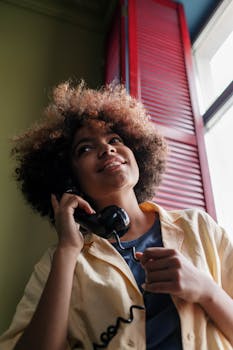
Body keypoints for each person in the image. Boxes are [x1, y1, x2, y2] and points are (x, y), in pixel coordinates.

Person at [0, 80, 233, 350]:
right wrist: (67, 251)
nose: (107, 149)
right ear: (68, 180)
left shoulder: (198, 226)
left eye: (115, 140)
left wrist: (208, 291)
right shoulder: (59, 261)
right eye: (85, 148)